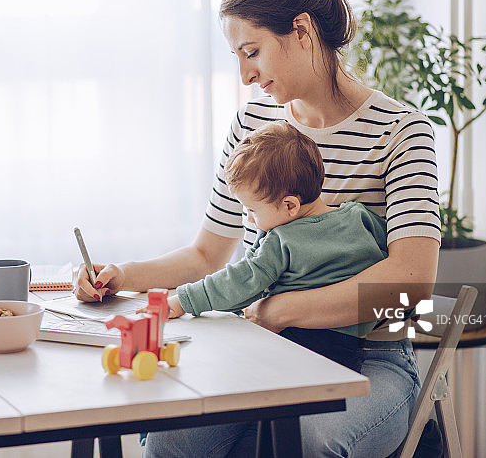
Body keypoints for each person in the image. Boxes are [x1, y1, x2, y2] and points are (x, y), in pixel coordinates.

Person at [75, 0, 440, 458]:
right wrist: (121, 276)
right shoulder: (253, 124)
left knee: (305, 442)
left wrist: (284, 309)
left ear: (303, 31)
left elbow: (411, 282)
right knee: (171, 444)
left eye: (253, 52)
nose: (245, 73)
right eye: (237, 56)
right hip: (262, 348)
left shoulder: (402, 130)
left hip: (370, 357)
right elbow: (207, 255)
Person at [165, 120, 388, 373]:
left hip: (298, 340)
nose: (249, 219)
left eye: (252, 210)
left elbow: (241, 282)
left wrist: (184, 300)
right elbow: (390, 258)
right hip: (350, 349)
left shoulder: (281, 239)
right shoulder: (358, 216)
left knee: (221, 368)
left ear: (290, 205)